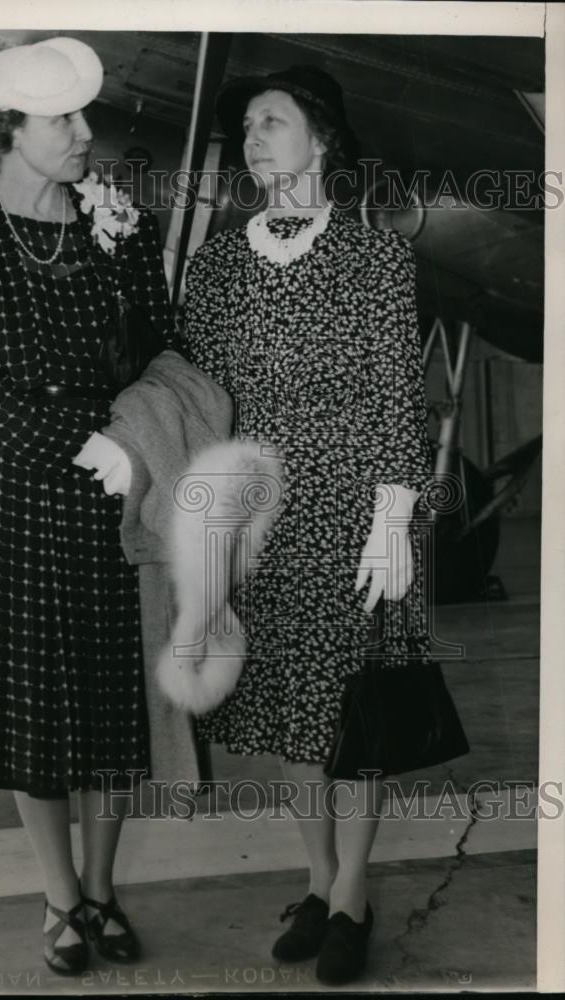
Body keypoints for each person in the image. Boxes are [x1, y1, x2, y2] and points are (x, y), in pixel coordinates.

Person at [0, 37, 175, 976]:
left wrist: (131, 446)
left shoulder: (124, 229)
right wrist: (86, 444)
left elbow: (163, 352)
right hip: (26, 493)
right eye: (61, 117)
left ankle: (102, 891)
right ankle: (59, 897)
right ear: (6, 131)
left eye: (82, 114)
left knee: (111, 702)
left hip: (120, 491)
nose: (83, 131)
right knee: (34, 706)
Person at [182, 65, 434, 986]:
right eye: (247, 125)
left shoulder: (375, 257)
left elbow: (397, 395)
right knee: (293, 715)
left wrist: (394, 517)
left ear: (320, 140)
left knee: (352, 714)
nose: (254, 138)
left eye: (273, 121)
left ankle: (355, 896)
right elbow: (196, 398)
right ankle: (319, 882)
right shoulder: (217, 264)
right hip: (261, 523)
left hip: (356, 522)